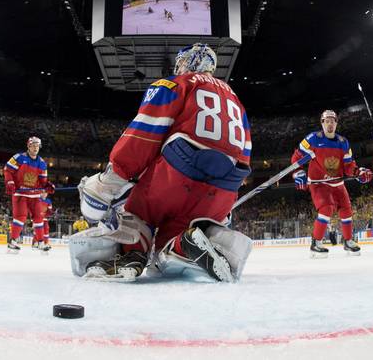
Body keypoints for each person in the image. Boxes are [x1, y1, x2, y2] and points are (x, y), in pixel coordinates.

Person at [73, 43, 253, 282]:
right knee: (168, 247)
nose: (178, 67)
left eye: (180, 62)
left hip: (180, 172)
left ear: (189, 61)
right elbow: (245, 152)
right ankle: (195, 242)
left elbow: (145, 132)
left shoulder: (174, 84)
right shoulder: (237, 102)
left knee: (136, 213)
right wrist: (223, 205)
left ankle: (132, 253)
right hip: (224, 186)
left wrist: (111, 179)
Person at [291, 110, 372, 258]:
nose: (330, 123)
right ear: (322, 123)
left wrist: (358, 172)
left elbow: (348, 166)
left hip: (337, 183)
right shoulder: (312, 139)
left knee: (347, 210)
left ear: (336, 123)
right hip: (318, 183)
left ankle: (348, 241)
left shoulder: (343, 142)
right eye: (326, 121)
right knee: (327, 208)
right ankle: (316, 243)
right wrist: (298, 173)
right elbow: (297, 158)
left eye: (332, 121)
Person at [4, 136, 53, 253]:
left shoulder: (42, 163)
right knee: (20, 217)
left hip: (34, 195)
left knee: (39, 218)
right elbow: (7, 170)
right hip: (20, 193)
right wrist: (10, 182)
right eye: (33, 145)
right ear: (28, 146)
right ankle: (13, 241)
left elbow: (43, 181)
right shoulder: (19, 157)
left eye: (37, 146)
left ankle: (41, 242)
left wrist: (48, 186)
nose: (36, 148)